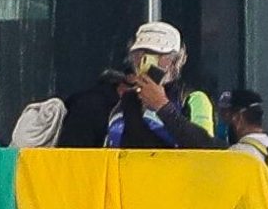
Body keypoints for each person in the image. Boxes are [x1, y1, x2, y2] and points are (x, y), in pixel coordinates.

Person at [56, 20, 214, 149]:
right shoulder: (105, 102)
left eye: (161, 56)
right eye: (141, 55)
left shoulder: (192, 99)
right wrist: (132, 103)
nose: (150, 62)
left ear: (177, 61)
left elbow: (207, 150)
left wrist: (162, 107)